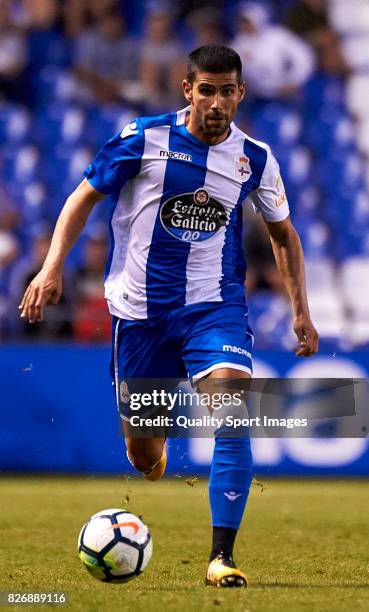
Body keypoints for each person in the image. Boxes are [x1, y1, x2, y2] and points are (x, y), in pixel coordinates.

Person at [19, 45, 319, 587]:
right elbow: (82, 197)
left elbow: (283, 234)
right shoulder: (143, 137)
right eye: (207, 89)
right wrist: (50, 268)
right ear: (188, 90)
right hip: (140, 315)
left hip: (214, 308)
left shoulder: (256, 158)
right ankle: (154, 463)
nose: (217, 101)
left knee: (233, 410)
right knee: (142, 451)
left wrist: (301, 309)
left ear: (240, 94)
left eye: (227, 91)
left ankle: (221, 556)